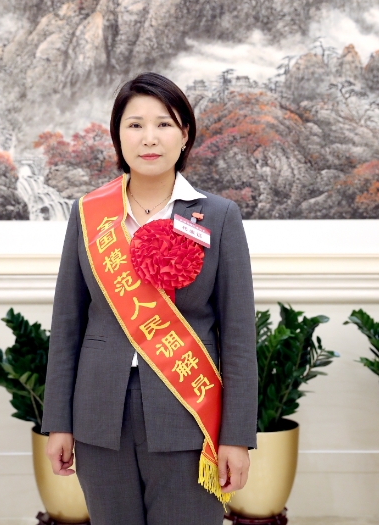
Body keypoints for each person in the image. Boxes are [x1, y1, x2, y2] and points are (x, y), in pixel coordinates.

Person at [41, 72, 258, 525]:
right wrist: (58, 421)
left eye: (164, 124)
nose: (149, 138)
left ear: (185, 135)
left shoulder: (218, 216)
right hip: (100, 416)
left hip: (189, 416)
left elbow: (239, 336)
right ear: (118, 136)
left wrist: (236, 436)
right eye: (135, 125)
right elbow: (67, 326)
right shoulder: (90, 214)